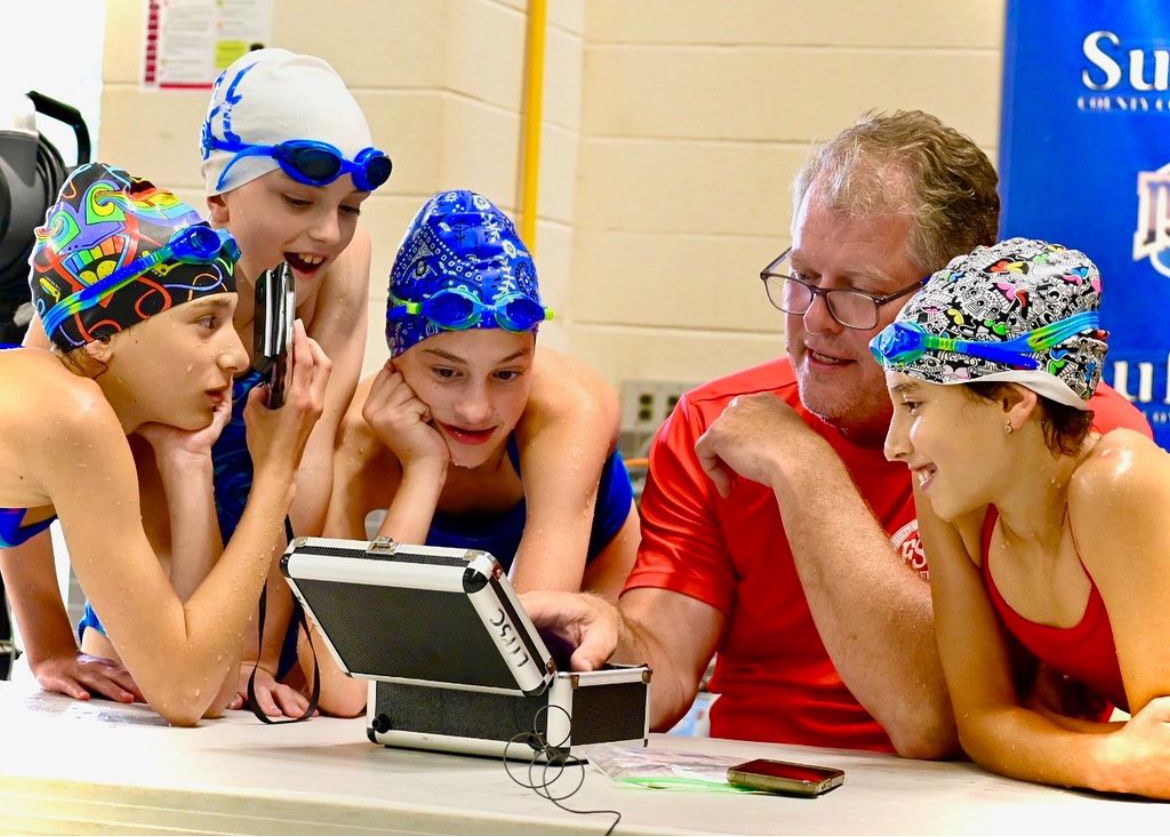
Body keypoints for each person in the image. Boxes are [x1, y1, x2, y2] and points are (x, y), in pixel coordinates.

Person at [524, 110, 1153, 756]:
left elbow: (936, 716)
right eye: (801, 277)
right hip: (753, 791)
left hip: (964, 801)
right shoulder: (721, 424)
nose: (814, 320)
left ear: (948, 298)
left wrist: (803, 464)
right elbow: (663, 670)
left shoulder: (1053, 435)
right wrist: (609, 640)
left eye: (857, 291)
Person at [10, 49, 391, 717]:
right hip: (149, 586)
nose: (329, 231)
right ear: (220, 199)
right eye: (299, 199)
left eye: (351, 207)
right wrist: (46, 643)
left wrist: (257, 657)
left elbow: (307, 481)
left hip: (230, 573)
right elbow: (185, 688)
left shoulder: (340, 265)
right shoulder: (100, 315)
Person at [0, 162, 329, 725]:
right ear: (103, 338)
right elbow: (183, 691)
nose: (239, 356)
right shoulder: (71, 415)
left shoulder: (97, 420)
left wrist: (189, 461)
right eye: (206, 322)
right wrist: (278, 474)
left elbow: (210, 680)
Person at [317, 189, 640, 716]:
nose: (476, 409)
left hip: (591, 619)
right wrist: (423, 470)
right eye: (446, 372)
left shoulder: (568, 412)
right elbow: (344, 689)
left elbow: (522, 669)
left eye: (508, 373)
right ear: (397, 358)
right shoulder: (359, 438)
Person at [871, 236, 1170, 797]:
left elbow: (1160, 759)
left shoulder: (1120, 486)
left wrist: (1050, 741)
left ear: (1013, 402)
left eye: (914, 404)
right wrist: (1105, 757)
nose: (893, 446)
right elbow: (980, 724)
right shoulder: (952, 504)